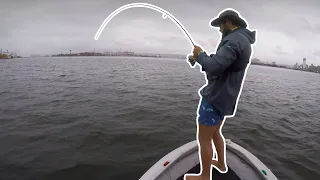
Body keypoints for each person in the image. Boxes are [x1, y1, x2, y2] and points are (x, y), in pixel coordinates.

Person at [185, 9, 257, 180]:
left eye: (220, 25)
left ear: (228, 22)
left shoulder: (233, 40)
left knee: (203, 139)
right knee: (216, 132)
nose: (219, 29)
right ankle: (222, 164)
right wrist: (200, 60)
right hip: (226, 98)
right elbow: (222, 64)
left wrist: (200, 55)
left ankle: (204, 176)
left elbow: (215, 67)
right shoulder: (242, 40)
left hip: (215, 98)